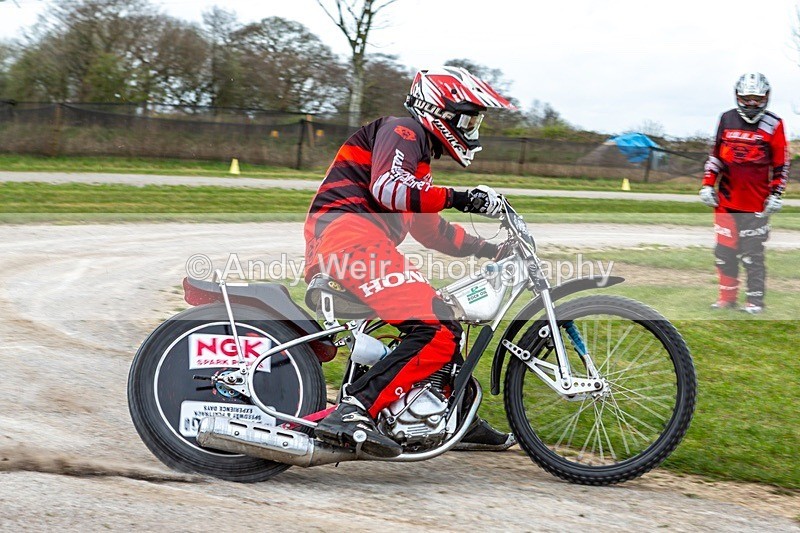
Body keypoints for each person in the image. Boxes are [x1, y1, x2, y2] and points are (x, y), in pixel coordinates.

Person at [304, 66, 516, 457]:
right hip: (350, 239)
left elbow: (431, 231)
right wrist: (462, 197)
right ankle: (354, 411)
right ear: (439, 110)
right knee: (437, 328)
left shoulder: (416, 160)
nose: (472, 129)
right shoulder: (404, 131)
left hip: (356, 243)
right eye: (467, 118)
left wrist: (492, 249)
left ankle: (451, 416)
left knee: (447, 313)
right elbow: (389, 188)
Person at [700, 72, 789, 314]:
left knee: (752, 256)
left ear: (766, 98)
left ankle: (754, 302)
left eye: (757, 99)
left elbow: (781, 164)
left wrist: (776, 194)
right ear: (738, 96)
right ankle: (726, 298)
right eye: (747, 98)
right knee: (724, 253)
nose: (751, 103)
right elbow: (716, 156)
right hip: (726, 202)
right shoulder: (726, 119)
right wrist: (708, 184)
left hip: (756, 205)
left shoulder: (775, 124)